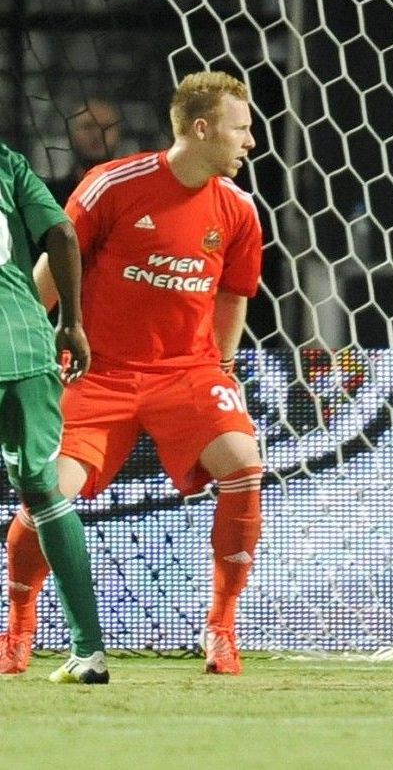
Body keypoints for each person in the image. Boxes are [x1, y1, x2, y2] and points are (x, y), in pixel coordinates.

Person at [0, 71, 264, 677]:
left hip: (187, 373)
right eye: (241, 128)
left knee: (244, 463)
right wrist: (32, 351)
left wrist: (222, 367)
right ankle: (18, 626)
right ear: (201, 130)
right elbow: (47, 273)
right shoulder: (112, 185)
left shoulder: (241, 210)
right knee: (46, 492)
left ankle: (221, 628)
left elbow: (233, 292)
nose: (250, 141)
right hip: (97, 373)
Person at [0, 137, 108, 684]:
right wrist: (71, 320)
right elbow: (63, 232)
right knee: (42, 490)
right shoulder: (8, 162)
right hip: (22, 343)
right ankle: (88, 652)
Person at [45, 97, 123, 209]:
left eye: (106, 127)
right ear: (71, 133)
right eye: (88, 127)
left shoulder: (136, 195)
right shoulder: (49, 197)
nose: (97, 135)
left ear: (119, 135)